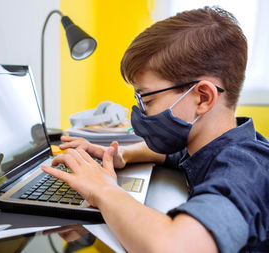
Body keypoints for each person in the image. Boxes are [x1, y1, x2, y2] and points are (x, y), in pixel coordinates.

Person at [41, 6, 269, 253]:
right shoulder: (212, 144)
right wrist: (122, 155)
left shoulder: (246, 169)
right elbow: (169, 154)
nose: (141, 112)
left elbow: (175, 247)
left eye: (147, 101)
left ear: (202, 97)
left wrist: (103, 188)